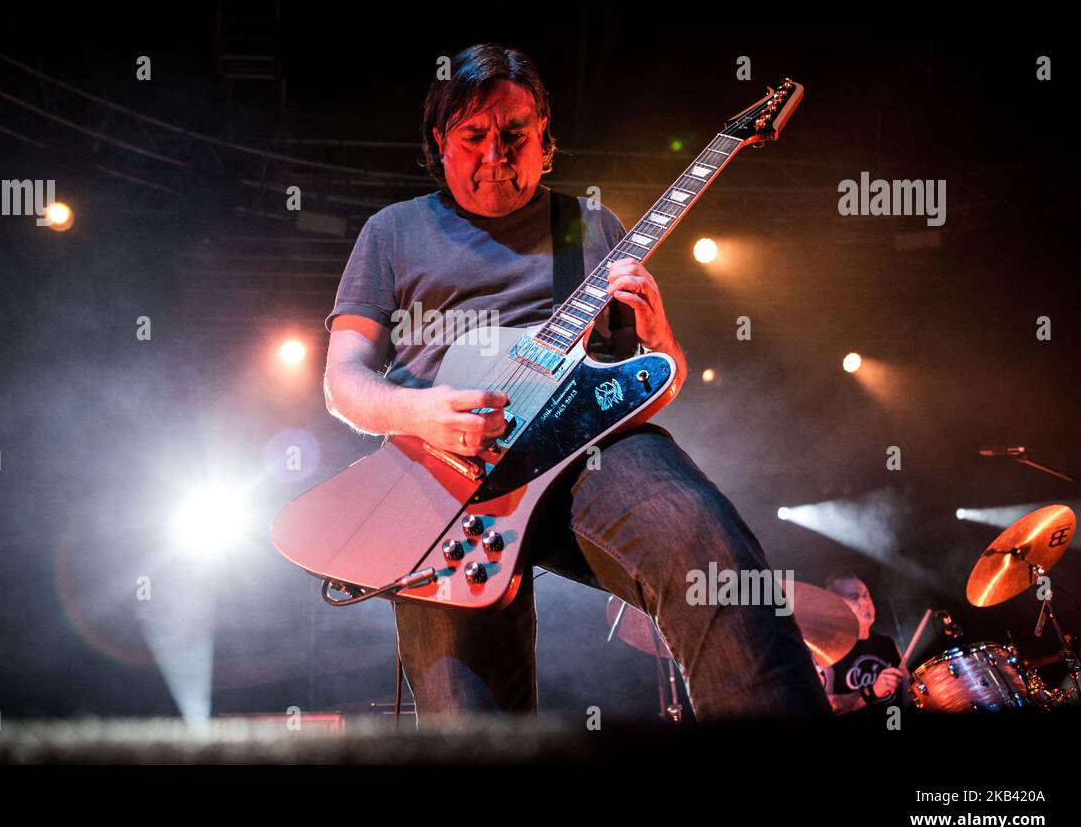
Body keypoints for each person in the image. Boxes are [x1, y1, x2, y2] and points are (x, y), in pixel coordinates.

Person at [321, 43, 830, 723]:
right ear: (440, 142)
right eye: (473, 135)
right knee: (469, 714)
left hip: (588, 453)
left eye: (514, 135)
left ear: (545, 140)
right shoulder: (393, 231)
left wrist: (662, 342)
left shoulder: (590, 227)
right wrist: (422, 413)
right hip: (442, 473)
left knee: (712, 554)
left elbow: (646, 385)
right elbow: (343, 383)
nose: (495, 153)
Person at [821, 574, 910, 715]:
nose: (864, 602)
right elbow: (826, 705)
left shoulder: (887, 643)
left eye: (866, 595)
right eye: (854, 597)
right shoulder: (826, 650)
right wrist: (872, 692)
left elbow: (908, 695)